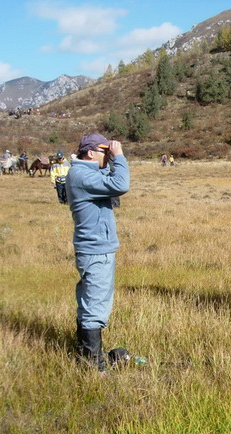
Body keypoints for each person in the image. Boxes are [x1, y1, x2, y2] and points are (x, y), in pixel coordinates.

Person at [66, 133, 130, 371]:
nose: (109, 154)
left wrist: (111, 160)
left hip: (93, 248)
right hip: (96, 250)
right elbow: (121, 185)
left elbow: (111, 181)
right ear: (91, 153)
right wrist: (120, 156)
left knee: (88, 302)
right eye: (104, 151)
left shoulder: (84, 173)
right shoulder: (82, 175)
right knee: (95, 305)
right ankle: (94, 367)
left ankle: (86, 356)